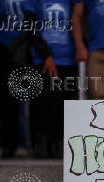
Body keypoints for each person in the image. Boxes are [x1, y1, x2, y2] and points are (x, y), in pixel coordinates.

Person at [0, 0, 55, 158]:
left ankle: (21, 144)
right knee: (1, 100)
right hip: (2, 50)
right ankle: (0, 144)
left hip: (23, 50)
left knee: (21, 98)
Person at [24, 0, 76, 158]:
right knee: (43, 101)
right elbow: (30, 28)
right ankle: (40, 142)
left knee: (63, 103)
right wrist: (46, 55)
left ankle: (57, 142)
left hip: (68, 59)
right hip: (42, 59)